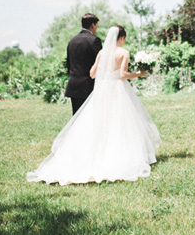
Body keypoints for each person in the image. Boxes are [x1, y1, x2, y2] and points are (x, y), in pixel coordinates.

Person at [27, 25, 162, 185]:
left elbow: (92, 73)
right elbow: (123, 75)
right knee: (120, 123)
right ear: (122, 38)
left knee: (98, 122)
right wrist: (139, 74)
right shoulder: (123, 53)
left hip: (102, 91)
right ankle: (120, 155)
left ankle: (93, 154)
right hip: (118, 90)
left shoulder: (101, 53)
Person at [65, 13, 102, 115]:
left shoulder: (72, 41)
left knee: (76, 118)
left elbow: (68, 64)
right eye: (97, 26)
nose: (96, 29)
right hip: (89, 86)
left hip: (74, 85)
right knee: (90, 118)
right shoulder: (94, 40)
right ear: (92, 25)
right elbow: (100, 64)